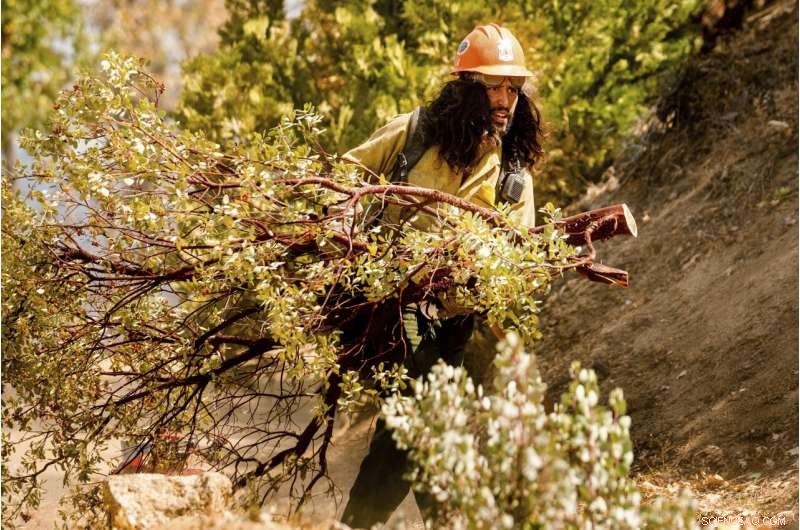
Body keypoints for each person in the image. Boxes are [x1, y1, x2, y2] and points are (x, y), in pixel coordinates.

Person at [340, 23, 543, 528]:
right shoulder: (413, 132)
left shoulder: (514, 173)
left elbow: (516, 260)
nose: (505, 99)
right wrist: (348, 242)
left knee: (411, 429)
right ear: (465, 87)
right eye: (493, 87)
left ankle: (356, 525)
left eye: (513, 88)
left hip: (452, 322)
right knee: (429, 415)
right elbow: (344, 181)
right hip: (389, 305)